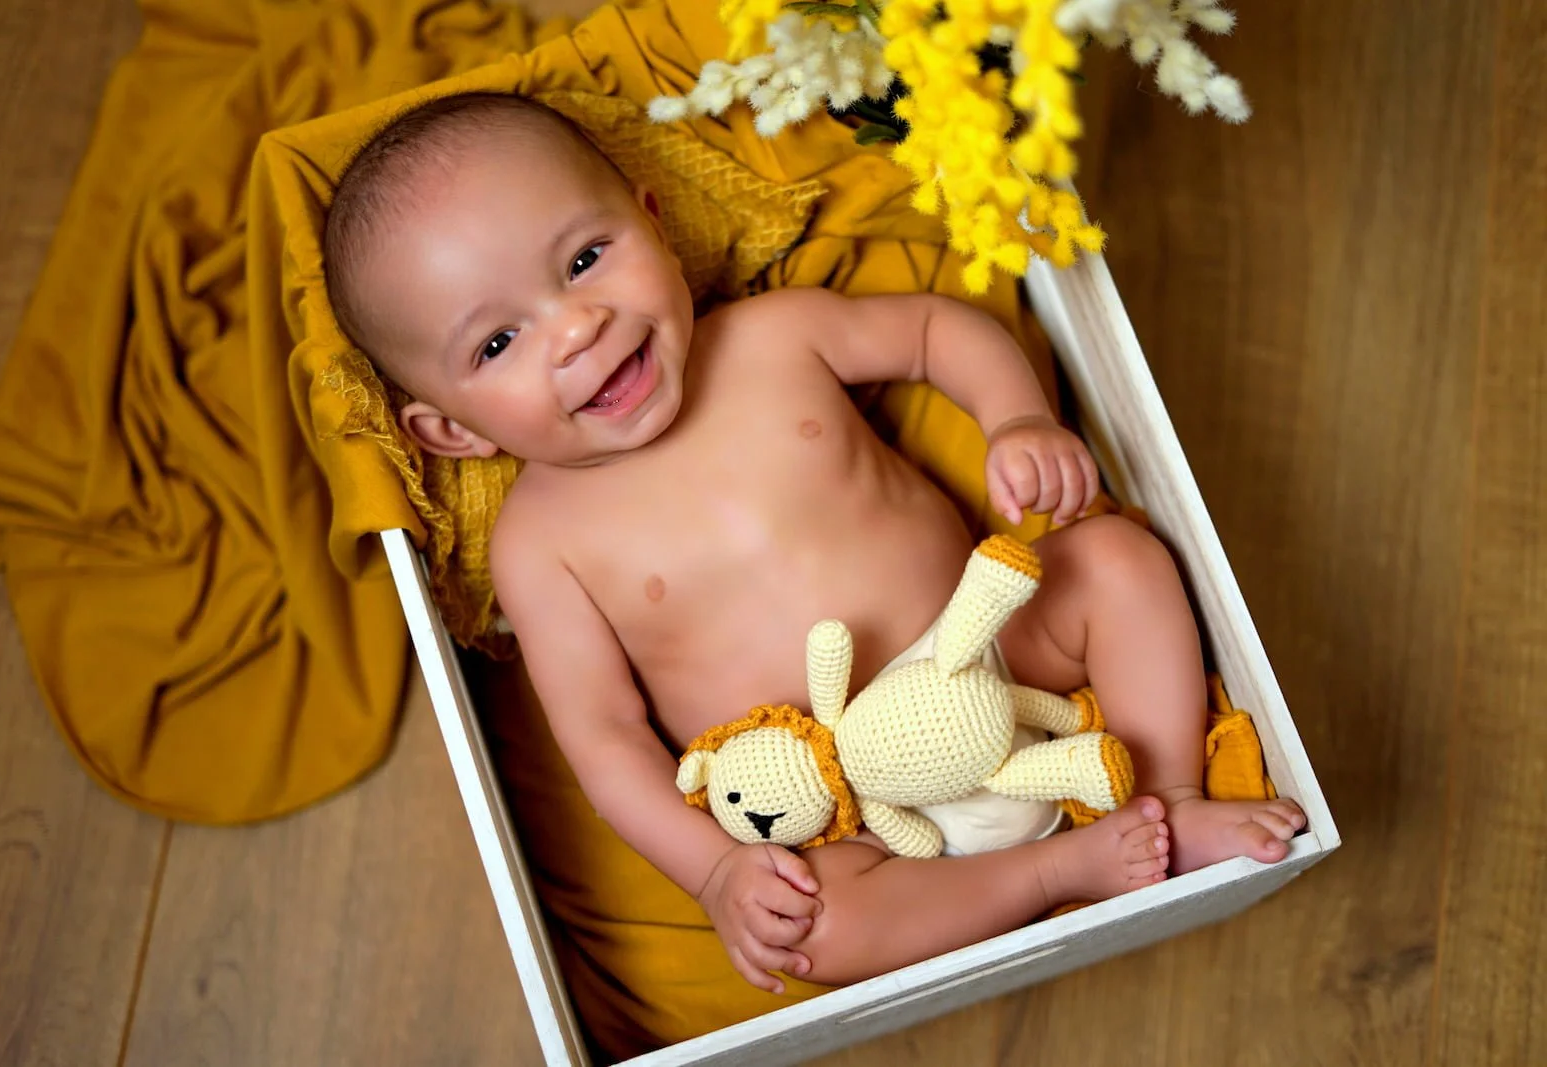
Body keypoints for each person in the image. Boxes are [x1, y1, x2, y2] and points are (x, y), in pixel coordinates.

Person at [322, 92, 1305, 994]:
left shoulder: (768, 339)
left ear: (653, 224)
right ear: (452, 430)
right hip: (840, 797)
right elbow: (606, 737)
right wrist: (715, 869)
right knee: (814, 931)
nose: (575, 329)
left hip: (995, 655)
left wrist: (1016, 419)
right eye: (497, 344)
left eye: (584, 259)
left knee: (1117, 562)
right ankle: (1055, 867)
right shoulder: (539, 545)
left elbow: (931, 331)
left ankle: (1168, 801)